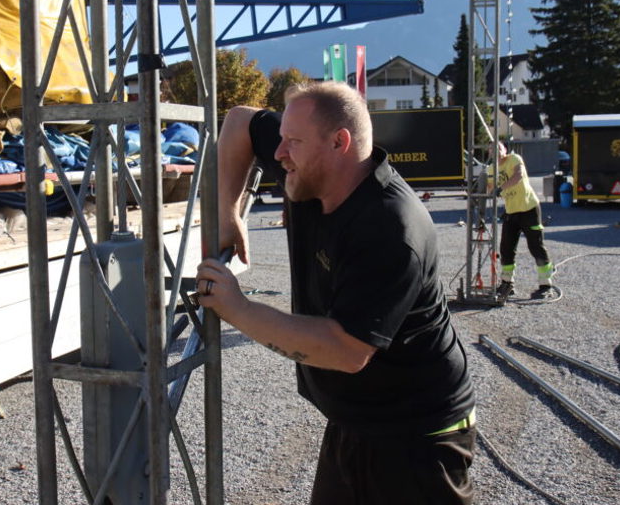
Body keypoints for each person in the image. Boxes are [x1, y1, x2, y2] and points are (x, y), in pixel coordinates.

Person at [195, 81, 476, 504]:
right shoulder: (310, 171)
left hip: (417, 438)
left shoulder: (389, 228)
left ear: (339, 143)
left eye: (292, 142)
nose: (277, 153)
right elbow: (238, 123)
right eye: (282, 137)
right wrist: (226, 212)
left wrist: (237, 308)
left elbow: (345, 350)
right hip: (356, 422)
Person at [489, 140, 555, 300]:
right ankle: (507, 283)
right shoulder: (491, 169)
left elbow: (517, 176)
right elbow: (489, 187)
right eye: (492, 149)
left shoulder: (514, 159)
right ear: (489, 153)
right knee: (506, 248)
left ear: (504, 149)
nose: (496, 151)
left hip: (529, 209)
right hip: (511, 212)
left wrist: (500, 188)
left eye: (499, 147)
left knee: (536, 246)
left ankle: (546, 285)